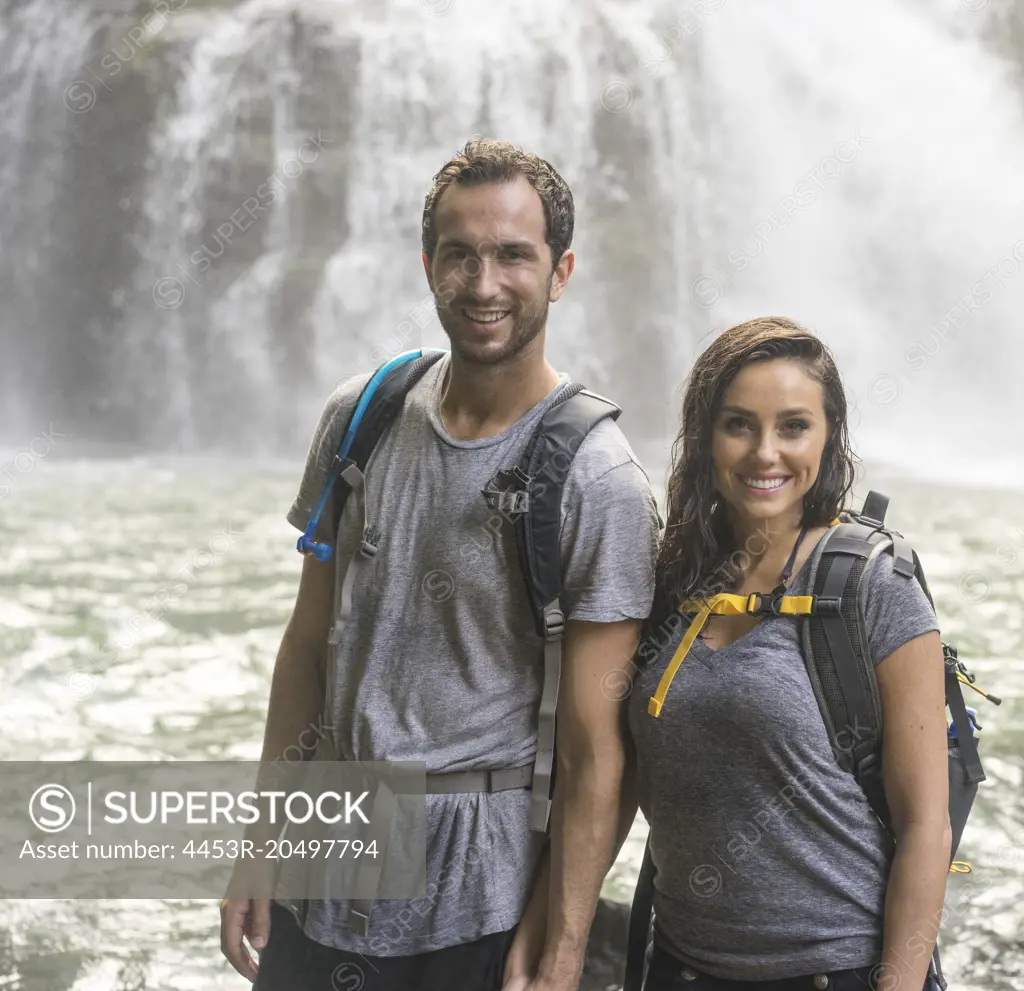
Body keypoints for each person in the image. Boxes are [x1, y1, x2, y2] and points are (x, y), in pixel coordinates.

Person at [219, 138, 661, 991]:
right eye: (459, 254)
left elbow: (600, 749)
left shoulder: (597, 478)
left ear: (561, 271)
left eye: (512, 256)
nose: (483, 283)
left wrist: (564, 942)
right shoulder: (363, 416)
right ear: (428, 264)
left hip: (475, 911)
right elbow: (308, 650)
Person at [626, 317, 951, 991]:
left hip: (833, 971)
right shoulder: (672, 578)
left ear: (828, 434)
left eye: (793, 426)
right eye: (739, 424)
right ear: (705, 435)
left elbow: (927, 824)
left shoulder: (873, 586)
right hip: (679, 965)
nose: (765, 453)